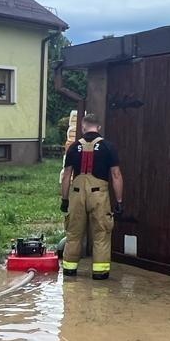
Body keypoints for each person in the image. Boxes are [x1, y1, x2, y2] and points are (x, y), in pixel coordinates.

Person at [60, 112, 124, 280]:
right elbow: (116, 175)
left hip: (76, 195)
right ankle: (100, 274)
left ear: (82, 127)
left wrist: (64, 200)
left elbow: (67, 175)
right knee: (101, 234)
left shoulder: (73, 147)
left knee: (73, 234)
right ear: (99, 127)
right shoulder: (108, 147)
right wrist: (119, 201)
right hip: (99, 195)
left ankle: (69, 270)